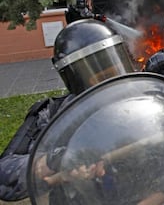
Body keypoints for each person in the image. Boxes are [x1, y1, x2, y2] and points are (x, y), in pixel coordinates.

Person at [0, 19, 136, 202]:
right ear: (77, 79)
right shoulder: (54, 115)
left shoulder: (145, 104)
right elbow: (5, 171)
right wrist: (56, 161)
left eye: (116, 72)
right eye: (101, 77)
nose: (113, 83)